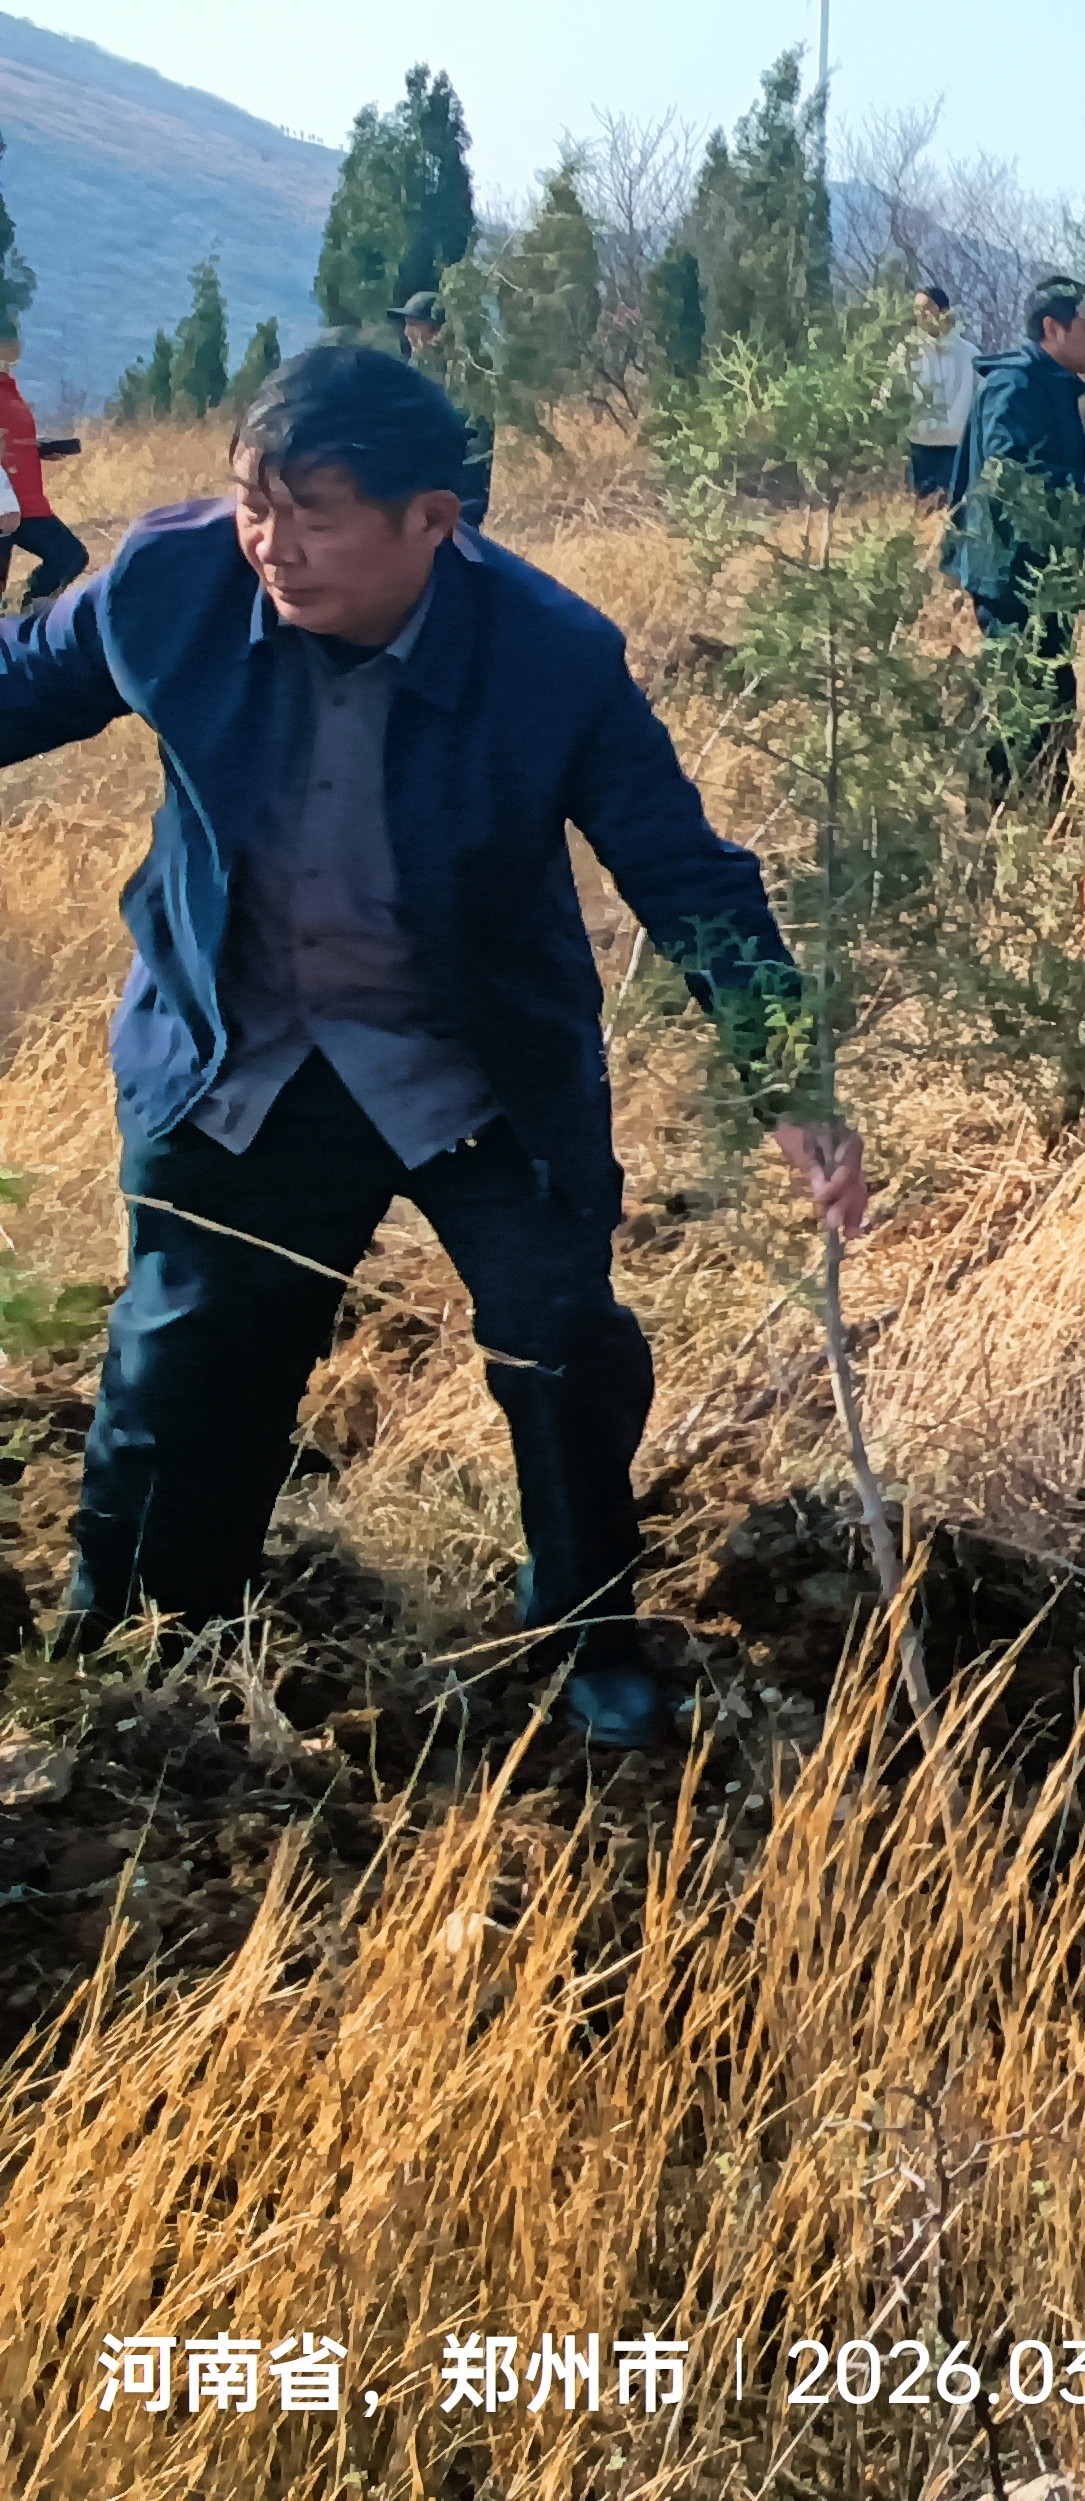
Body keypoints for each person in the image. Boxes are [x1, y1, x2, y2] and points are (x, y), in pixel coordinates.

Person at [0, 345, 867, 1750]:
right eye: (254, 504)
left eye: (319, 513)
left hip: (466, 1064)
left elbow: (687, 873)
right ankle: (149, 1641)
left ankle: (589, 1632)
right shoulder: (173, 586)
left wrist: (788, 1082)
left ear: (432, 521)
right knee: (183, 1359)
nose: (272, 547)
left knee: (564, 1348)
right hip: (244, 1052)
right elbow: (21, 678)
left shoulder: (550, 654)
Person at [943, 276, 1085, 800]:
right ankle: (1000, 815)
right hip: (1012, 569)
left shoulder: (1047, 384)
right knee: (1024, 694)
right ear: (1050, 328)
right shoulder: (1015, 386)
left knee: (1051, 689)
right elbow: (1006, 475)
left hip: (1042, 568)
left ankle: (1042, 810)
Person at [388, 290, 491, 529]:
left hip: (460, 495)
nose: (407, 333)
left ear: (436, 330)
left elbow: (476, 441)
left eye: (414, 325)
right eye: (406, 325)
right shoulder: (413, 373)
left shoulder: (467, 371)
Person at [3, 329, 85, 612]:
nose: (18, 343)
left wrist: (36, 448)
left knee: (70, 556)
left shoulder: (7, 387)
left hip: (25, 504)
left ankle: (19, 612)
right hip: (5, 506)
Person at [904, 284, 981, 500]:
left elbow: (982, 397)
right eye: (916, 309)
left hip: (957, 446)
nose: (921, 314)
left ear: (944, 310)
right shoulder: (907, 353)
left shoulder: (969, 354)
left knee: (955, 509)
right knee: (921, 512)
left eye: (927, 307)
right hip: (919, 445)